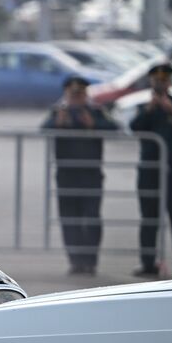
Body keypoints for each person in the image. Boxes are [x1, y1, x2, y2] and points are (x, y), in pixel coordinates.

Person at [41, 75, 118, 275]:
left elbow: (115, 128)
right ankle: (75, 261)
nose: (77, 98)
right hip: (66, 175)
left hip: (91, 175)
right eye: (73, 94)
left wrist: (93, 124)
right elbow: (43, 129)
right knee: (69, 219)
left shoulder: (96, 111)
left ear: (85, 94)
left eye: (80, 94)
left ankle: (91, 261)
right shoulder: (59, 111)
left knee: (91, 218)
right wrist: (57, 123)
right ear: (67, 94)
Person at [130, 61, 172, 277]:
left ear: (170, 83)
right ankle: (148, 262)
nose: (161, 84)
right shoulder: (144, 107)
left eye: (164, 80)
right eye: (157, 81)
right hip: (149, 171)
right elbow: (134, 126)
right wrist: (150, 110)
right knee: (149, 218)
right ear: (151, 82)